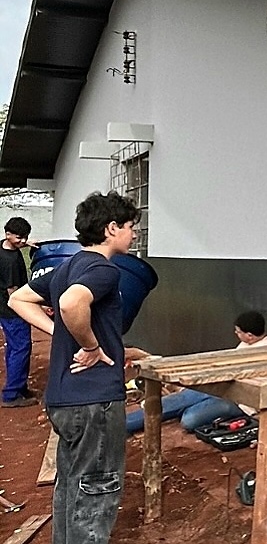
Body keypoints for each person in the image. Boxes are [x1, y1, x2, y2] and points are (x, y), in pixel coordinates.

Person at [7, 191, 149, 544]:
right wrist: (88, 344)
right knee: (96, 492)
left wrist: (65, 335)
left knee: (71, 485)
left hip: (63, 400)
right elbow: (72, 304)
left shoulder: (64, 267)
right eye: (131, 227)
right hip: (94, 401)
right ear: (112, 228)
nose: (133, 235)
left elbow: (18, 298)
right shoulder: (103, 268)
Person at [125, 310, 267, 435]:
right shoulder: (248, 343)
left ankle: (188, 407)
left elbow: (240, 378)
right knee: (181, 399)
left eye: (238, 332)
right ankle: (125, 425)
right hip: (223, 388)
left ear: (250, 335)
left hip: (241, 402)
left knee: (189, 420)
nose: (236, 334)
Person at [1, 216, 36, 407]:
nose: (23, 241)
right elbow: (13, 293)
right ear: (8, 234)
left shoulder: (4, 246)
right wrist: (29, 309)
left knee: (14, 348)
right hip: (14, 311)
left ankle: (19, 387)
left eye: (25, 237)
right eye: (20, 238)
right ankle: (12, 394)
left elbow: (16, 242)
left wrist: (26, 243)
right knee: (21, 348)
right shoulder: (10, 263)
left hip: (4, 310)